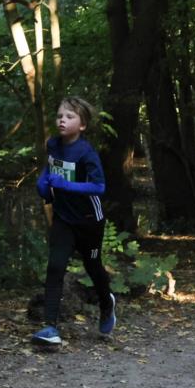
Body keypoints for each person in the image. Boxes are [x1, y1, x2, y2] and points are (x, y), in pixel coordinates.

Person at [32, 97, 116, 344]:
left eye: (69, 117)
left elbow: (99, 187)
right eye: (59, 116)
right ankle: (49, 327)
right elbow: (50, 168)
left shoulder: (86, 153)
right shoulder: (53, 145)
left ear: (82, 125)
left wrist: (66, 185)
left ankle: (106, 302)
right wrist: (43, 182)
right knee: (55, 266)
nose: (62, 120)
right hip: (63, 218)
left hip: (90, 220)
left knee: (93, 266)